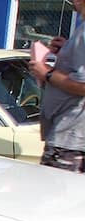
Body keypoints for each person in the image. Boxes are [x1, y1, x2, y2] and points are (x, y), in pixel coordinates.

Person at [30, 0, 85, 172]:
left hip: (69, 137)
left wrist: (46, 73)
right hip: (69, 136)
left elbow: (83, 86)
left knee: (51, 188)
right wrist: (66, 51)